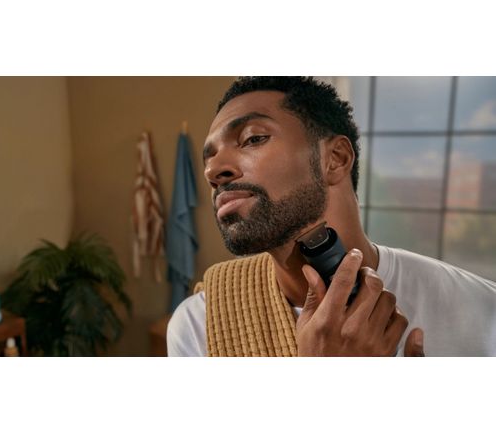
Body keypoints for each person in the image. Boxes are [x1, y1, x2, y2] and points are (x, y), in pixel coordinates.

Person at [167, 76, 496, 357]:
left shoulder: (482, 314)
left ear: (336, 158)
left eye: (253, 138)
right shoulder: (198, 324)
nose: (213, 171)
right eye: (209, 158)